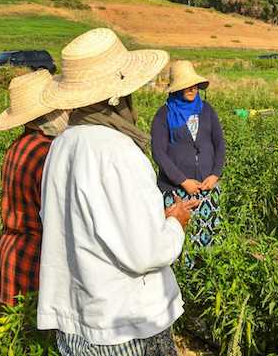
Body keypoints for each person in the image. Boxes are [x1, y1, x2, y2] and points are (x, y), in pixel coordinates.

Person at [36, 28, 197, 355]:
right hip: (122, 327)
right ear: (117, 97)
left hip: (78, 322)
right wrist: (175, 223)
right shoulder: (116, 150)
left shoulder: (62, 145)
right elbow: (144, 252)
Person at [0, 70, 70, 306]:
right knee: (37, 339)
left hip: (12, 256)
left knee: (17, 337)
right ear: (51, 113)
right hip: (37, 263)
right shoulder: (49, 153)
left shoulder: (19, 145)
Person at [151, 60, 225, 266]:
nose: (192, 88)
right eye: (186, 85)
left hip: (207, 187)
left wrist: (215, 174)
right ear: (177, 89)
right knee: (179, 239)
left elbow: (219, 143)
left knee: (207, 235)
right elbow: (159, 152)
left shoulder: (206, 110)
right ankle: (182, 284)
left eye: (194, 84)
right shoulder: (163, 114)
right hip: (177, 189)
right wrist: (183, 181)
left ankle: (204, 275)